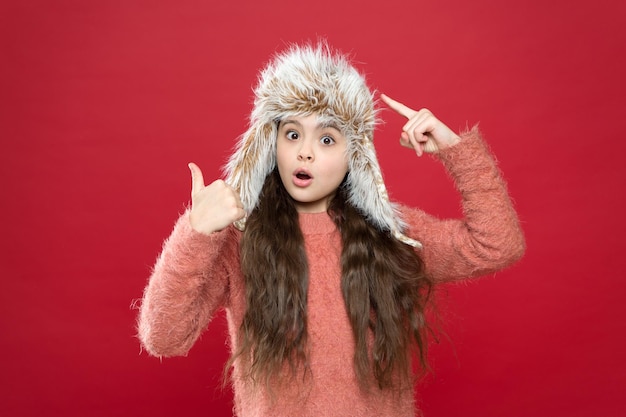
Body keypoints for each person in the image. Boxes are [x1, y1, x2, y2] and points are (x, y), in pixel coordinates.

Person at [137, 43, 525, 417]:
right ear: (272, 145)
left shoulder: (390, 231)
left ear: (354, 155)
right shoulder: (239, 239)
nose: (305, 151)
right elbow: (164, 337)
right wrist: (196, 233)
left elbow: (496, 245)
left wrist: (453, 149)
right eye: (292, 134)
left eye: (326, 139)